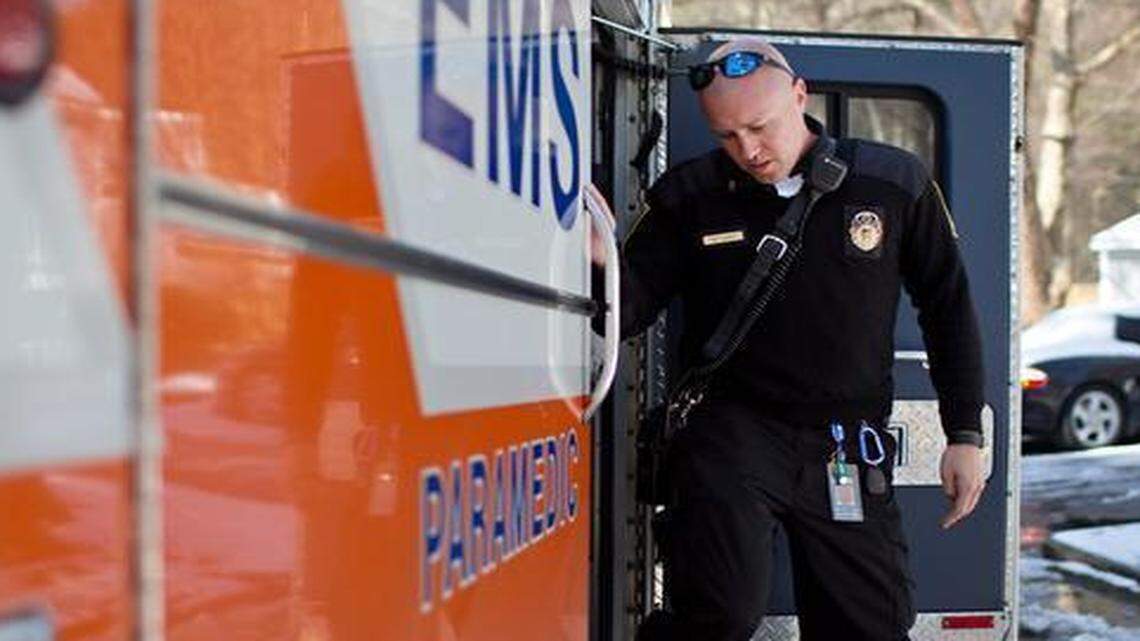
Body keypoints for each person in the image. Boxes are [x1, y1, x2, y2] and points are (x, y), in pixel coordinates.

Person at [587, 38, 987, 641]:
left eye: (759, 127)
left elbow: (949, 308)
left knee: (870, 628)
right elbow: (628, 311)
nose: (748, 150)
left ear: (799, 95)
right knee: (717, 618)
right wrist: (599, 267)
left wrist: (964, 433)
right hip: (732, 434)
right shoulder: (688, 196)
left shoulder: (891, 183)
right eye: (727, 136)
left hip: (846, 443)